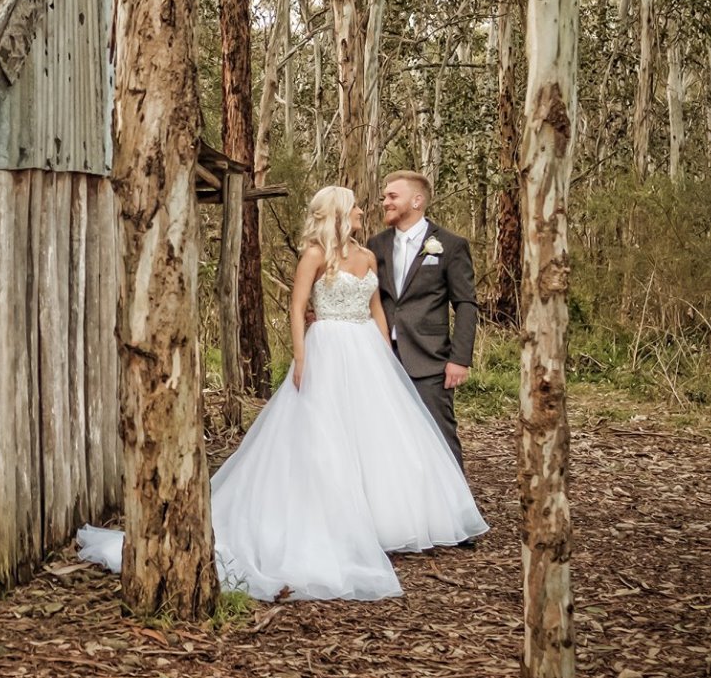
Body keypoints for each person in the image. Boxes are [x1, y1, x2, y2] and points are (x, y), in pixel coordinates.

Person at [74, 186, 485, 602]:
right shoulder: (314, 255)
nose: (365, 210)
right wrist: (302, 357)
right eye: (357, 206)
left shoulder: (367, 255)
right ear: (339, 212)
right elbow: (296, 306)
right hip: (326, 346)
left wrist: (386, 355)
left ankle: (383, 523)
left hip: (366, 351)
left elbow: (378, 307)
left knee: (375, 435)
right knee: (323, 435)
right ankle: (330, 520)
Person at [367, 171, 478, 470]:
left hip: (429, 360)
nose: (385, 202)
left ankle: (456, 511)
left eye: (392, 196)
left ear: (416, 200)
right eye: (384, 197)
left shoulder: (451, 245)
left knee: (439, 437)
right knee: (385, 438)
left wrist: (460, 358)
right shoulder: (375, 245)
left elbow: (465, 304)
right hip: (382, 358)